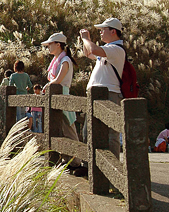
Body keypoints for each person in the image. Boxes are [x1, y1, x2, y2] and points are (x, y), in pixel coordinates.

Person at [80, 18, 125, 158]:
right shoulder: (108, 49)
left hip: (110, 93)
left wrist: (86, 38)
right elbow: (88, 53)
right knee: (89, 131)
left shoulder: (116, 49)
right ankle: (90, 165)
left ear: (113, 31)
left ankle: (113, 169)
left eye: (102, 30)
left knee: (111, 133)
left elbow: (93, 49)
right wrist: (84, 41)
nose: (100, 32)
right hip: (98, 94)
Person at [42, 32, 83, 170]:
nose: (48, 47)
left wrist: (48, 85)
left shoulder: (65, 61)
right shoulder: (59, 60)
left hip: (62, 95)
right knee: (61, 128)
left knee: (68, 128)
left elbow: (58, 80)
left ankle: (75, 159)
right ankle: (68, 158)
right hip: (57, 95)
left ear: (58, 44)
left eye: (50, 44)